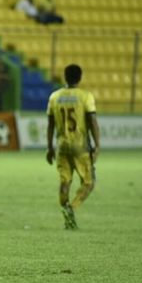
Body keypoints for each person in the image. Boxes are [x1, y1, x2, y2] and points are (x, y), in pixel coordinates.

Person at [46, 64, 100, 229]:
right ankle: (72, 207)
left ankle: (66, 212)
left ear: (65, 76)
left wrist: (49, 147)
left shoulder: (54, 97)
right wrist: (97, 144)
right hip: (80, 146)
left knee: (65, 182)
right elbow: (92, 121)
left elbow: (50, 124)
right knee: (89, 183)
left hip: (62, 146)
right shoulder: (85, 96)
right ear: (80, 77)